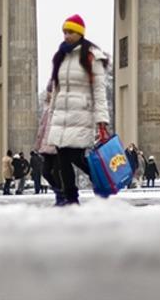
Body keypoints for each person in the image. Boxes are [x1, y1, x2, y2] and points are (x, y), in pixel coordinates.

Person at [41, 14, 111, 206]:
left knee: (76, 157)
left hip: (81, 113)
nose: (66, 36)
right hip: (62, 115)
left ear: (80, 33)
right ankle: (71, 198)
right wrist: (52, 111)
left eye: (70, 32)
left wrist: (101, 120)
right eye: (64, 32)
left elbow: (99, 89)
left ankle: (101, 180)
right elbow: (57, 87)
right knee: (62, 159)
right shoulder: (61, 56)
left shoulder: (91, 56)